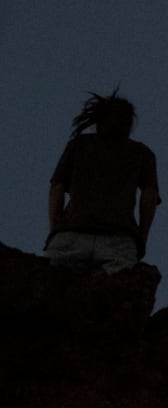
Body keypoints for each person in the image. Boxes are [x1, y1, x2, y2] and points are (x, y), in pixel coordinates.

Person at [45, 89, 161, 274]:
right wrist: (142, 236)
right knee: (115, 297)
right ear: (128, 124)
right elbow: (149, 195)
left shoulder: (78, 145)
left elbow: (57, 188)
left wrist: (55, 229)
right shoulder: (142, 153)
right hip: (119, 239)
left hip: (71, 234)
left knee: (51, 290)